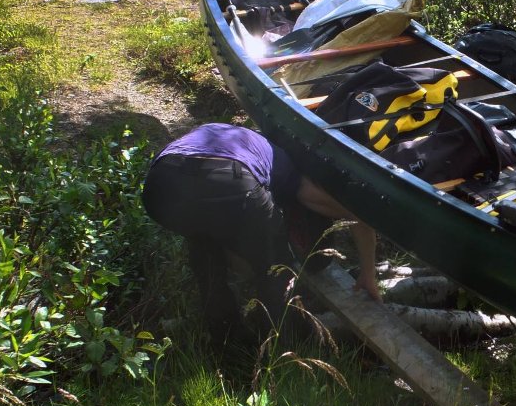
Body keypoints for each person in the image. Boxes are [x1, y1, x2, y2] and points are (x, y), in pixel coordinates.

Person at [143, 123, 380, 347]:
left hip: (160, 186)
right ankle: (285, 345)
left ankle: (226, 342)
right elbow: (353, 216)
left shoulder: (227, 135)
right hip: (229, 178)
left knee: (206, 254)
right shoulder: (285, 165)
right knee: (275, 269)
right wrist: (368, 273)